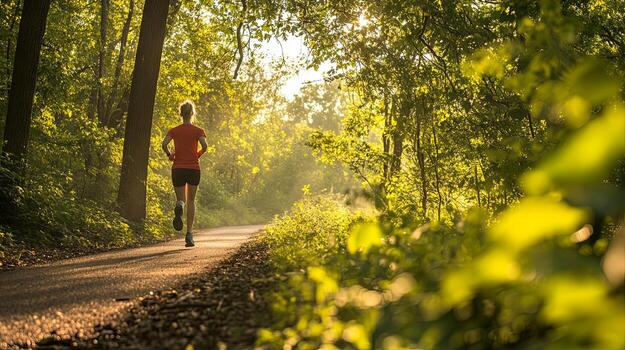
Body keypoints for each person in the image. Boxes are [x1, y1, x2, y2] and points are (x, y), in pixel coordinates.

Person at [161, 100, 208, 247]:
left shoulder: (174, 130)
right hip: (193, 169)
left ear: (180, 114)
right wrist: (197, 154)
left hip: (178, 169)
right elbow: (205, 146)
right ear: (192, 113)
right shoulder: (198, 131)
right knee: (192, 202)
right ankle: (189, 235)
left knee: (181, 199)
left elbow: (164, 144)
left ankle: (180, 205)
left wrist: (170, 155)